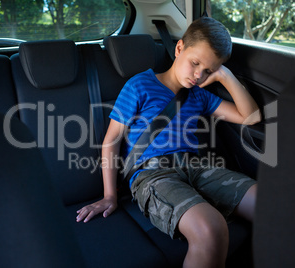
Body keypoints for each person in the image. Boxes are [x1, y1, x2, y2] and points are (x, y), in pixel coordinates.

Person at [76, 17, 261, 268]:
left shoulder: (199, 95)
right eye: (195, 63)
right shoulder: (140, 85)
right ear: (179, 48)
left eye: (209, 70)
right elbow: (112, 141)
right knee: (211, 229)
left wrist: (226, 76)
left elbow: (251, 117)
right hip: (153, 175)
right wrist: (109, 195)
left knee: (269, 201)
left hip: (197, 168)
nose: (199, 75)